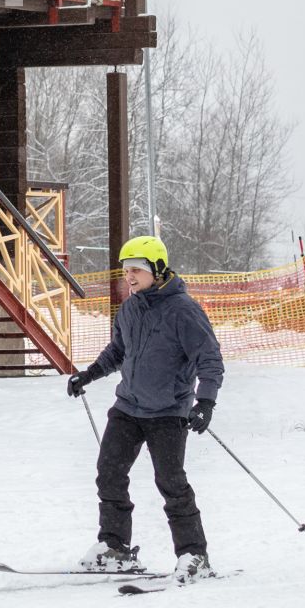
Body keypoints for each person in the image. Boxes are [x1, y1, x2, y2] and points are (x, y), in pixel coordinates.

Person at [67, 234, 225, 583]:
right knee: (109, 473)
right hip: (128, 407)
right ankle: (115, 548)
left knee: (170, 483)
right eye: (126, 270)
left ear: (157, 269)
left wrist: (206, 402)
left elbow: (209, 359)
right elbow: (118, 351)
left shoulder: (184, 310)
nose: (130, 277)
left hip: (168, 411)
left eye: (137, 269)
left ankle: (194, 555)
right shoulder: (130, 307)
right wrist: (88, 375)